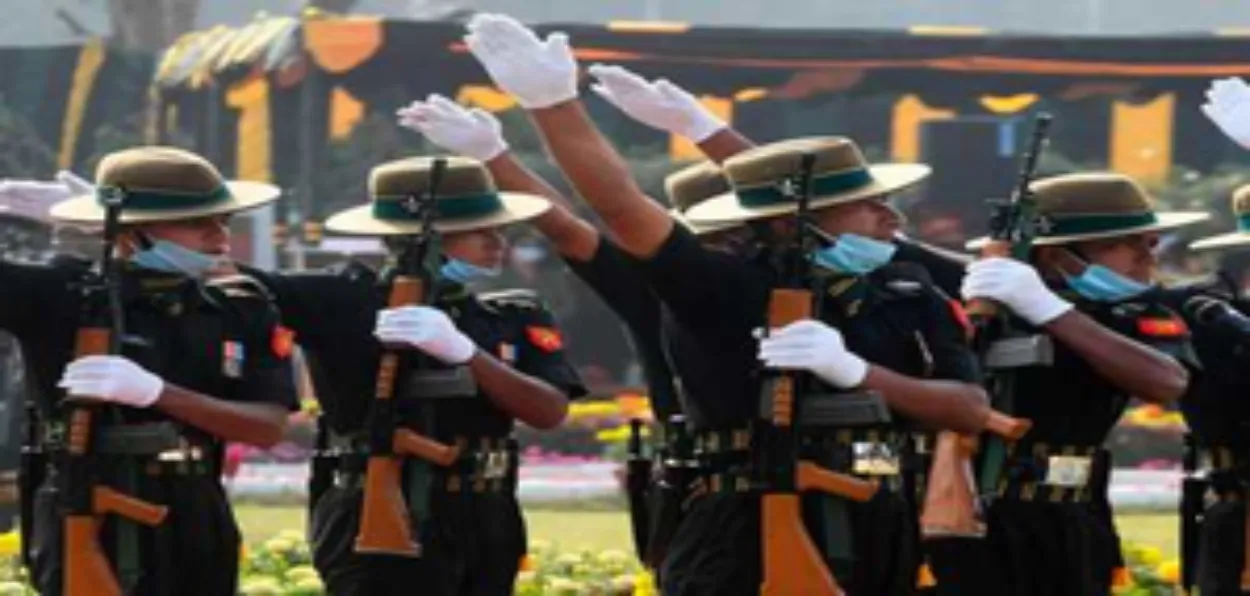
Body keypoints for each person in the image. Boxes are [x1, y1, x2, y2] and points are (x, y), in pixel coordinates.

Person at [461, 13, 991, 594]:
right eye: (869, 206)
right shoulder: (725, 290)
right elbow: (615, 209)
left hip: (882, 526)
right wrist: (553, 105)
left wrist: (859, 372)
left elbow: (967, 409)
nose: (893, 217)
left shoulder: (906, 288)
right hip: (742, 527)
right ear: (796, 224)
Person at [396, 93, 743, 570]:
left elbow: (569, 227)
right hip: (715, 488)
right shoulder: (664, 288)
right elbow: (569, 228)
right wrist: (495, 157)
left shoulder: (794, 279)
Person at [245, 155, 584, 595]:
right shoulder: (340, 300)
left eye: (497, 228)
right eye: (479, 229)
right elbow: (231, 281)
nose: (497, 241)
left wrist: (466, 353)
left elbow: (548, 410)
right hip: (376, 502)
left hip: (486, 511)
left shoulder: (510, 314)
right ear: (422, 238)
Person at [0, 146, 299, 595]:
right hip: (88, 506)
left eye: (223, 220)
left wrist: (158, 393)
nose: (218, 235)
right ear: (131, 230)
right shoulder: (63, 294)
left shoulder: (240, 308)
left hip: (195, 511)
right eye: (197, 222)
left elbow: (268, 427)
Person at [955, 171, 1199, 595]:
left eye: (1150, 241)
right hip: (979, 514)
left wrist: (1048, 310)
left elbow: (1166, 382)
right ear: (1054, 257)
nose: (1147, 256)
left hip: (1075, 513)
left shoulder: (1122, 315)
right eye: (1122, 244)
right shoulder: (982, 307)